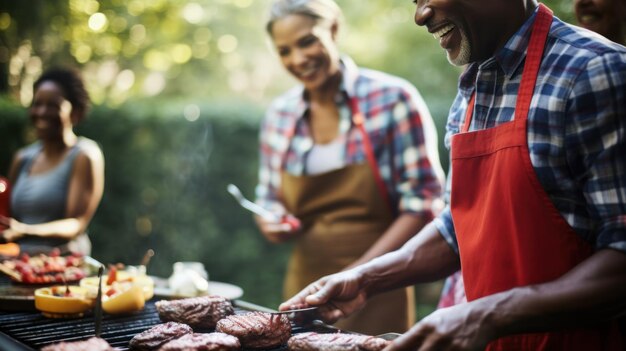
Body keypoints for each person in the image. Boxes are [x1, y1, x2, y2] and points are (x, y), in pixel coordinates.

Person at [280, 0, 626, 350]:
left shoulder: (596, 70)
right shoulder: (471, 86)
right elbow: (457, 226)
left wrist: (484, 315)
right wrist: (366, 278)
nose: (420, 15)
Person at [256, 0, 445, 335]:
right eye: (284, 51)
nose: (298, 59)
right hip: (306, 288)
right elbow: (269, 197)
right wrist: (270, 220)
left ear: (333, 30)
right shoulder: (279, 115)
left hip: (382, 283)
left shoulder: (393, 99)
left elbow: (423, 203)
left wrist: (361, 275)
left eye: (307, 41)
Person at [0, 68, 104, 256]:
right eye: (37, 103)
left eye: (53, 105)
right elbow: (8, 219)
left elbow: (76, 223)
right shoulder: (23, 158)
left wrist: (25, 230)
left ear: (75, 113)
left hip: (62, 265)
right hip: (18, 265)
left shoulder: (84, 155)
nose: (42, 112)